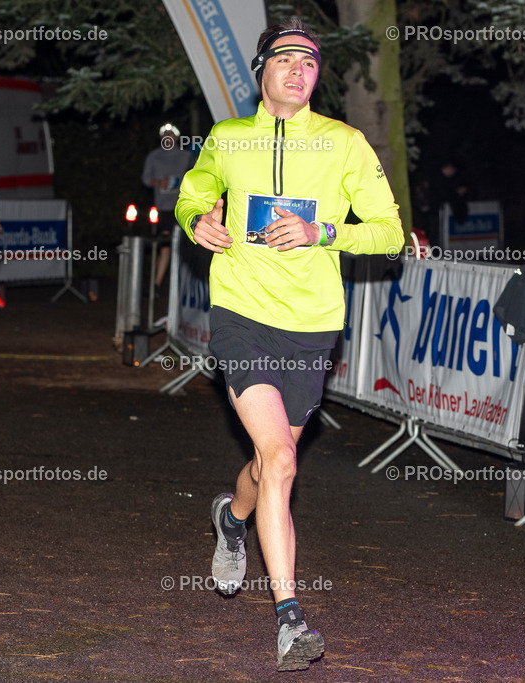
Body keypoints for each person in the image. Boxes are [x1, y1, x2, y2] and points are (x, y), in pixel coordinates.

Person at [175, 18, 403, 671]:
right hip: (241, 312)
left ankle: (231, 514)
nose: (300, 70)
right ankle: (289, 619)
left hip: (312, 324)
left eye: (311, 61)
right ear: (261, 69)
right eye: (286, 58)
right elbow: (195, 192)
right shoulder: (227, 139)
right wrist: (200, 219)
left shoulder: (345, 143)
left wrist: (321, 229)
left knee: (271, 463)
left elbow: (387, 231)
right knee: (280, 459)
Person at [141, 123, 194, 286]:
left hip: (184, 206)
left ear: (177, 137)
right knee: (165, 244)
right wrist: (158, 182)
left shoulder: (186, 156)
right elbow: (145, 179)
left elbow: (199, 175)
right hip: (163, 207)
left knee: (187, 244)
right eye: (165, 134)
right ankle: (156, 283)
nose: (168, 137)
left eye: (171, 134)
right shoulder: (154, 156)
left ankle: (184, 284)